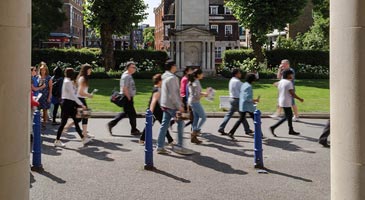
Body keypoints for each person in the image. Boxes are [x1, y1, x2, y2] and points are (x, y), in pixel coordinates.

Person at [156, 60, 192, 155]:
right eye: (175, 65)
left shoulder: (164, 76)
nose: (176, 67)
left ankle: (159, 146)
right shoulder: (173, 78)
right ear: (172, 67)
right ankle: (179, 146)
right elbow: (174, 94)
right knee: (180, 123)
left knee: (164, 125)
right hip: (172, 105)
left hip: (165, 105)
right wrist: (179, 106)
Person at [54, 68, 92, 147]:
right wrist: (81, 104)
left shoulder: (68, 81)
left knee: (75, 120)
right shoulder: (68, 82)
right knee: (63, 123)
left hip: (69, 103)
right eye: (73, 73)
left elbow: (73, 94)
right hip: (67, 103)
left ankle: (83, 139)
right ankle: (57, 140)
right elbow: (73, 95)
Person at [139, 74, 174, 145]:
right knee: (163, 125)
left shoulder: (157, 88)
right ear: (159, 81)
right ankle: (170, 140)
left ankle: (142, 139)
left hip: (157, 110)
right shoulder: (157, 90)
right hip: (155, 111)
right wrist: (150, 112)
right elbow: (153, 102)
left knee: (151, 125)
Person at [108, 61, 141, 135]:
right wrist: (129, 97)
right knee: (131, 114)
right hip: (127, 97)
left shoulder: (128, 75)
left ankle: (112, 124)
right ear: (128, 68)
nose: (134, 68)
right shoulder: (126, 76)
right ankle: (133, 130)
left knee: (127, 113)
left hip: (128, 97)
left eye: (135, 67)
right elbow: (124, 88)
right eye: (133, 67)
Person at [269, 70, 304, 137]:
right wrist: (300, 99)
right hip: (286, 102)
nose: (292, 76)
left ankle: (291, 130)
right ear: (288, 75)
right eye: (291, 74)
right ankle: (273, 127)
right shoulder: (289, 83)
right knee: (287, 116)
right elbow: (292, 94)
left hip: (282, 101)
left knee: (289, 116)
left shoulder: (281, 81)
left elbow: (274, 84)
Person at [227, 73, 259, 140]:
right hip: (247, 106)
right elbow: (247, 98)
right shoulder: (249, 86)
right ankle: (259, 133)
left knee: (242, 119)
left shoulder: (244, 84)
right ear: (252, 80)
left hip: (243, 105)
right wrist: (254, 100)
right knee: (254, 119)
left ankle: (231, 132)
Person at [218, 69, 242, 135]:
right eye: (239, 73)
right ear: (236, 74)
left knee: (230, 115)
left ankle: (221, 127)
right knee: (242, 115)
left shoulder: (231, 80)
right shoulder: (238, 82)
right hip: (237, 100)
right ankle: (247, 129)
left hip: (232, 99)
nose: (240, 74)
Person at [188, 69, 207, 144]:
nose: (203, 75)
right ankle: (195, 131)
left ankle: (194, 138)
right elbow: (196, 95)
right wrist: (204, 95)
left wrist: (203, 93)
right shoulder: (196, 82)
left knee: (196, 117)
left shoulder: (193, 82)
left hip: (192, 102)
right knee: (204, 117)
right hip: (195, 102)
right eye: (202, 74)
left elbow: (196, 93)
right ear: (198, 75)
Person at [76, 64, 94, 138]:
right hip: (80, 99)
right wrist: (89, 95)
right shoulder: (83, 79)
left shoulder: (82, 78)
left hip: (81, 99)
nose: (91, 71)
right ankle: (84, 133)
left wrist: (87, 95)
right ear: (86, 70)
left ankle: (84, 132)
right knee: (83, 117)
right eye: (90, 69)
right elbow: (80, 92)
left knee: (82, 117)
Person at [37, 63, 53, 129]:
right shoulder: (38, 77)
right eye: (41, 69)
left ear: (46, 70)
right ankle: (38, 123)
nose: (43, 71)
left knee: (44, 110)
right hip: (38, 95)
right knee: (37, 110)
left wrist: (49, 97)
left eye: (44, 70)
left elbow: (50, 88)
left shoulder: (49, 77)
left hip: (45, 96)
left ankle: (44, 123)